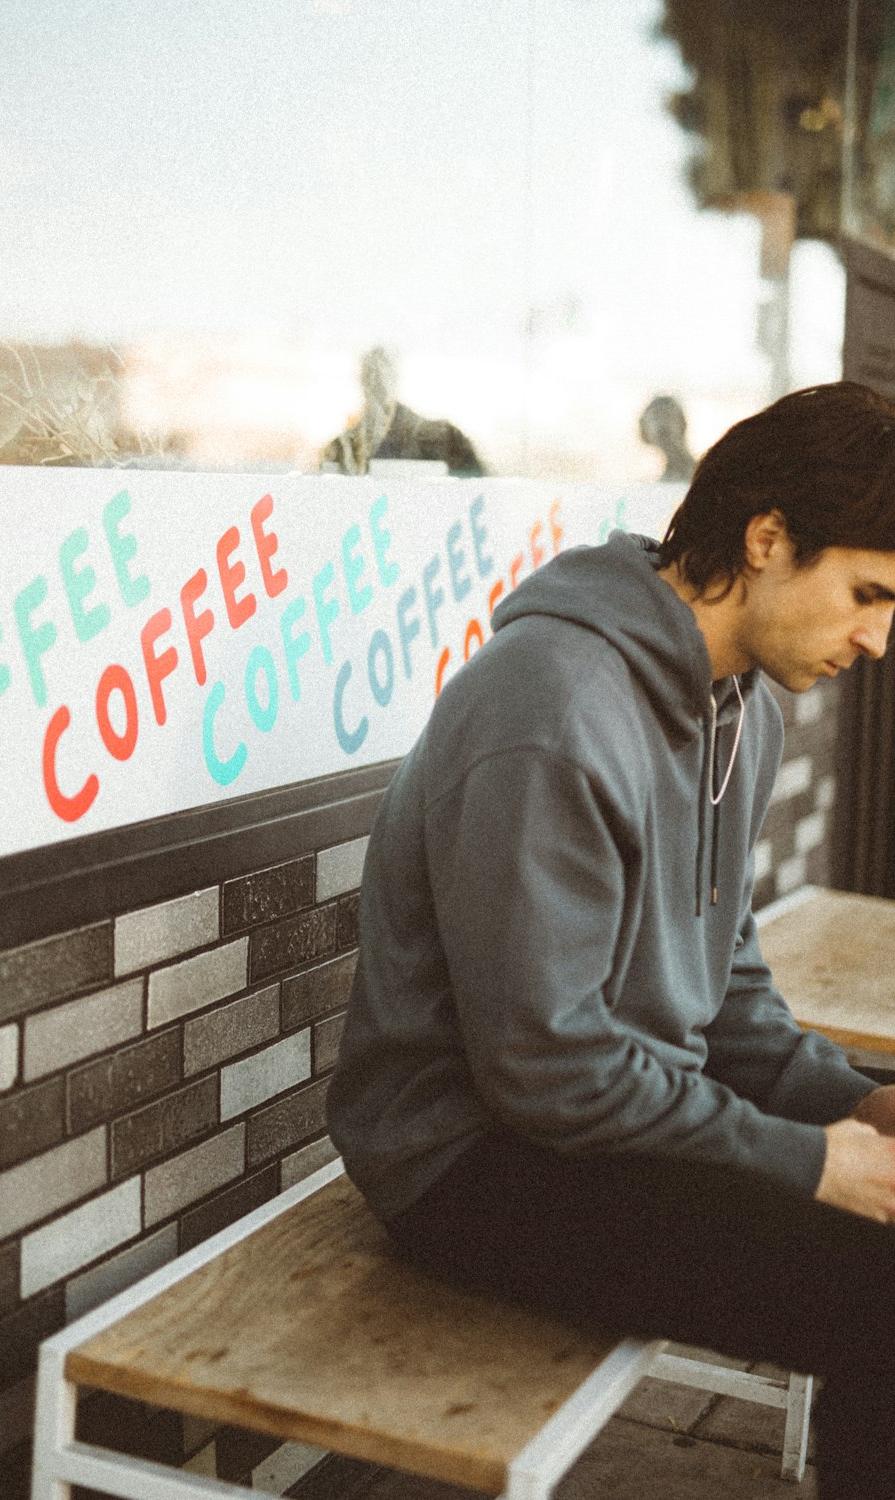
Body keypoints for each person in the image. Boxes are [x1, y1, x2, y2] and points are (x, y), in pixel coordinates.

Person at [326, 380, 895, 1499]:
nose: (876, 640)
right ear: (767, 537)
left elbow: (725, 988)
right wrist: (812, 1162)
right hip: (469, 1160)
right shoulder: (546, 707)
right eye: (866, 593)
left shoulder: (746, 707)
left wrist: (848, 1103)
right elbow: (545, 1069)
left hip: (610, 1115)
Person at [321, 345, 485, 478]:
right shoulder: (342, 448)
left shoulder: (446, 439)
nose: (378, 384)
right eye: (371, 375)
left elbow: (478, 494)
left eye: (383, 374)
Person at [638, 392, 695, 482]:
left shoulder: (702, 474)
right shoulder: (660, 483)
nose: (662, 425)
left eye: (667, 415)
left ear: (682, 424)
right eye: (655, 418)